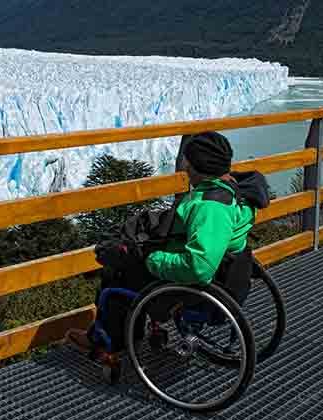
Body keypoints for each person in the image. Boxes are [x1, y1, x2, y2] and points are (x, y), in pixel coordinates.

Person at [66, 131, 269, 354]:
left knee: (116, 274)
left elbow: (198, 267)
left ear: (194, 167)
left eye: (188, 162)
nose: (185, 167)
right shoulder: (236, 191)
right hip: (225, 273)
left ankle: (110, 340)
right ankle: (138, 329)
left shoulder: (210, 208)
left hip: (193, 285)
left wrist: (154, 260)